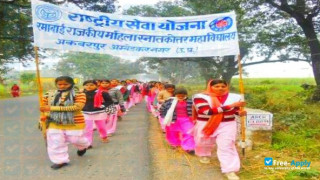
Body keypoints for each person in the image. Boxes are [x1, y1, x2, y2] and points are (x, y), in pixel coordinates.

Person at [192, 79, 246, 180]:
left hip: (227, 124)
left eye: (223, 86)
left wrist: (240, 113)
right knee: (204, 141)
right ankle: (204, 154)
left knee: (227, 146)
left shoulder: (234, 97)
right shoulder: (200, 97)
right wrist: (231, 106)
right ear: (210, 87)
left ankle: (230, 170)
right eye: (216, 86)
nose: (220, 88)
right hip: (206, 123)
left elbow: (235, 110)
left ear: (227, 87)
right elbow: (206, 111)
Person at [40, 76, 90, 170]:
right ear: (56, 84)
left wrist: (52, 108)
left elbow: (76, 107)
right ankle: (60, 161)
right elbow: (44, 107)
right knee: (56, 141)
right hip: (53, 121)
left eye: (65, 84)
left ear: (71, 84)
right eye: (60, 84)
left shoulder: (79, 94)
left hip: (74, 121)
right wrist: (44, 115)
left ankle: (83, 146)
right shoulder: (49, 94)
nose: (62, 86)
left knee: (75, 139)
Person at [160, 87, 195, 153]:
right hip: (173, 120)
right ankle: (175, 144)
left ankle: (189, 147)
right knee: (172, 133)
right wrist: (165, 117)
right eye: (179, 95)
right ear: (175, 95)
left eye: (183, 95)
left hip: (186, 120)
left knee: (189, 132)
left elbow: (195, 110)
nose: (181, 97)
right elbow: (162, 109)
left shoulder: (190, 101)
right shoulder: (169, 101)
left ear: (186, 95)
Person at [82, 80, 113, 148]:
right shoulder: (81, 93)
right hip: (86, 112)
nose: (89, 87)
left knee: (101, 127)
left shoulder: (102, 93)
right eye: (86, 85)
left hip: (99, 112)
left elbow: (109, 101)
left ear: (96, 85)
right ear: (83, 86)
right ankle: (88, 143)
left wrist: (102, 105)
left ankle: (104, 136)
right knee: (88, 129)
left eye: (91, 85)